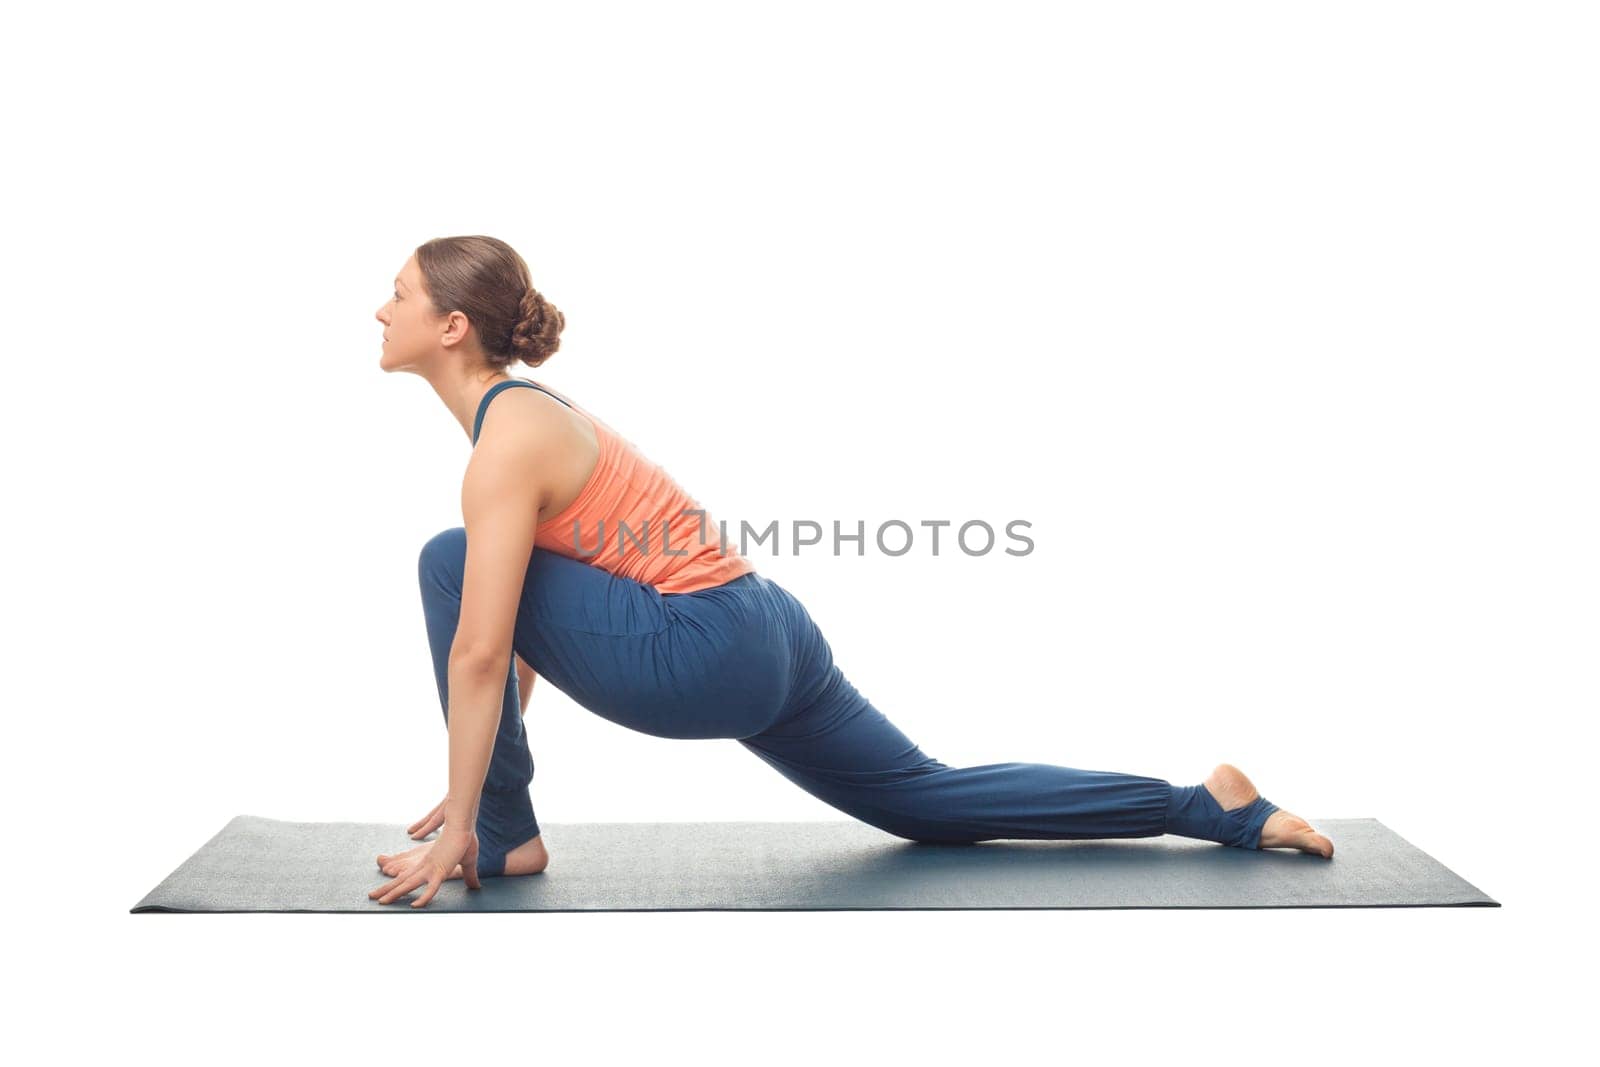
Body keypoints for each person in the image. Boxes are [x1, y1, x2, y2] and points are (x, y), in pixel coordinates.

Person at [367, 235, 1335, 909]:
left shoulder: (504, 444)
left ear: (452, 326)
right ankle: (1209, 806)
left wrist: (470, 815)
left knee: (446, 560)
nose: (380, 306)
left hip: (701, 646)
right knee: (923, 798)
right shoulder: (535, 415)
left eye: (399, 292)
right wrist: (483, 779)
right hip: (766, 629)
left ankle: (503, 840)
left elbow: (484, 646)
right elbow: (528, 623)